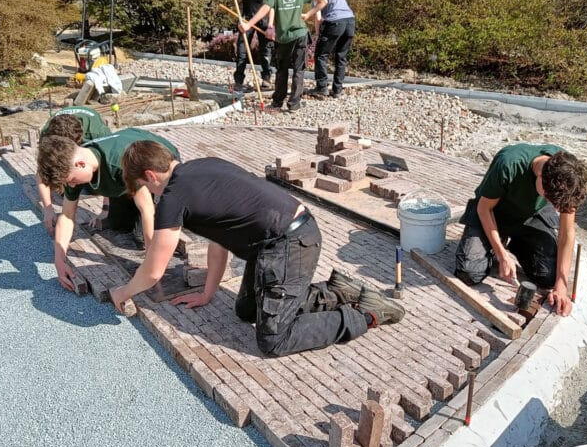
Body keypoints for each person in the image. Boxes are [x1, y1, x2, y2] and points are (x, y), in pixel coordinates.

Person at [109, 143, 405, 356]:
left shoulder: (174, 197)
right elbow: (218, 241)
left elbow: (154, 270)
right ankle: (338, 291)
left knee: (274, 339)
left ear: (150, 175)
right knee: (246, 310)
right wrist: (207, 293)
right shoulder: (202, 167)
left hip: (290, 243)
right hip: (276, 242)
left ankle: (365, 314)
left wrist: (122, 293)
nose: (149, 194)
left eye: (143, 186)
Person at [37, 128, 180, 292]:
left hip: (158, 170)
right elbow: (67, 215)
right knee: (118, 225)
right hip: (124, 177)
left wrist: (149, 264)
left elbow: (147, 209)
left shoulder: (119, 164)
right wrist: (59, 260)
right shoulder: (75, 164)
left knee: (141, 238)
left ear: (81, 164)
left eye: (72, 181)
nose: (72, 186)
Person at [454, 144, 587, 317]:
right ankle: (498, 241)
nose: (555, 206)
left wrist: (561, 286)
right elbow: (484, 209)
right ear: (540, 176)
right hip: (495, 213)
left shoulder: (568, 177)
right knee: (469, 272)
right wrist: (501, 255)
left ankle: (517, 244)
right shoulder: (509, 163)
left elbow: (566, 233)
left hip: (530, 217)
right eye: (548, 199)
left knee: (549, 277)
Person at [240, 0, 327, 112]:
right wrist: (309, 14)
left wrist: (248, 24)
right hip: (301, 34)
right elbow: (323, 0)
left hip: (284, 37)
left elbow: (265, 8)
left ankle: (278, 101)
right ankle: (294, 104)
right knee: (299, 70)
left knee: (282, 69)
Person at [36, 107, 111, 236]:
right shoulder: (48, 136)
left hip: (90, 136)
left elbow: (108, 168)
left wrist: (106, 209)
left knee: (89, 183)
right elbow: (42, 171)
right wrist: (48, 209)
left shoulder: (98, 133)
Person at [227, 0, 274, 92]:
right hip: (246, 20)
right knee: (242, 50)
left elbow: (271, 7)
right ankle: (239, 81)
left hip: (263, 21)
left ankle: (266, 79)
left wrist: (271, 25)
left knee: (266, 51)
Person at [310, 0, 355, 99]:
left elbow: (318, 18)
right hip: (350, 21)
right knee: (341, 56)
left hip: (335, 23)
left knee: (321, 55)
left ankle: (322, 87)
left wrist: (318, 34)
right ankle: (337, 90)